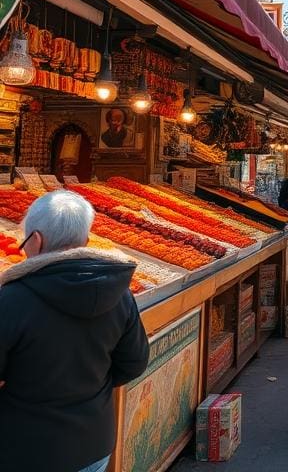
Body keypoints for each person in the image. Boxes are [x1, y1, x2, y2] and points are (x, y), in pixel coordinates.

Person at [0, 190, 149, 472]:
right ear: (85, 240)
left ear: (37, 240)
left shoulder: (12, 299)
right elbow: (134, 363)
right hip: (94, 444)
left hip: (25, 450)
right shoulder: (120, 294)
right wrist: (89, 384)